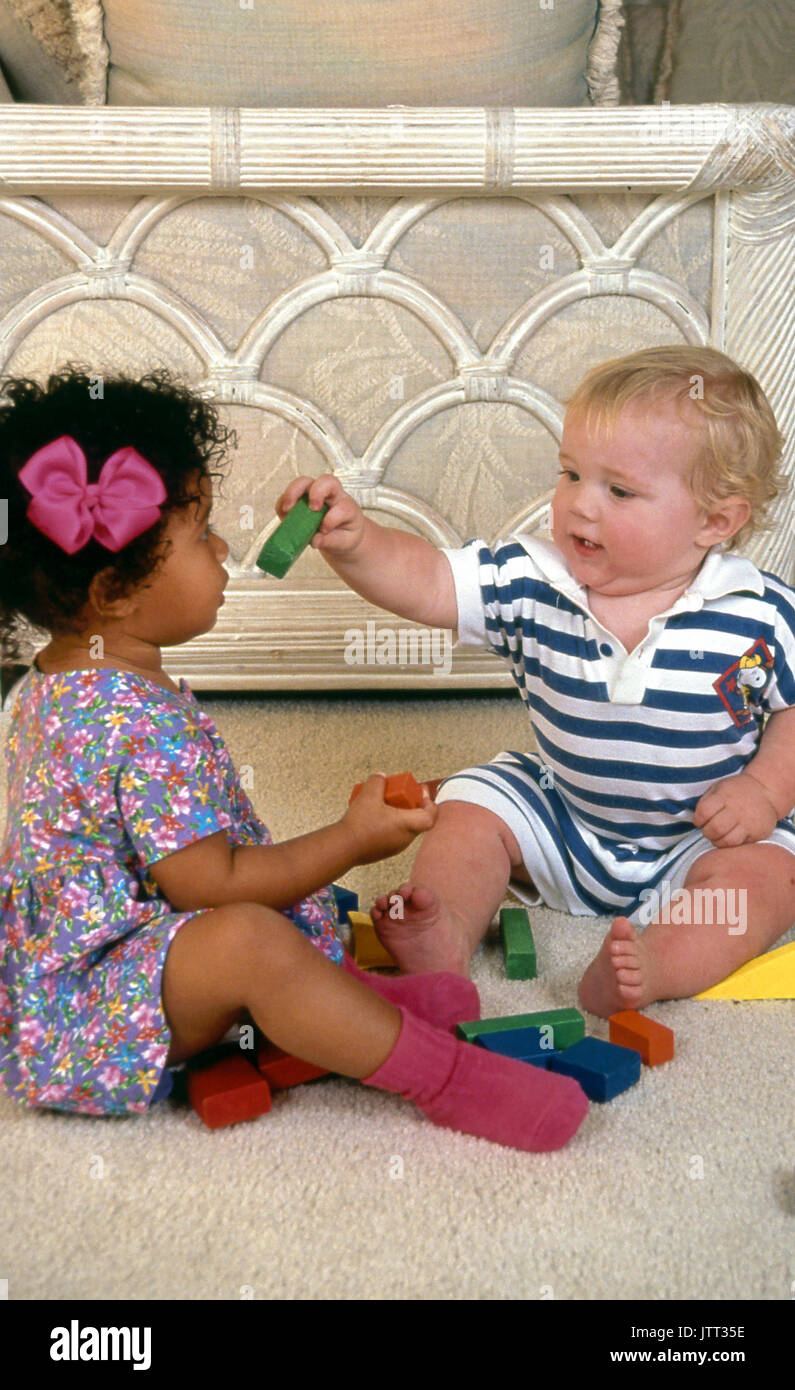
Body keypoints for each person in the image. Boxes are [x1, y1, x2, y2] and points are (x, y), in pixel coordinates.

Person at [0, 365, 588, 1153]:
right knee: (250, 941)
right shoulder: (132, 722)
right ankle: (443, 1078)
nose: (227, 547)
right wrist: (352, 837)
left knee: (269, 927)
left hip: (90, 958)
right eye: (201, 535)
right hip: (97, 1005)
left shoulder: (60, 677)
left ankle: (352, 1010)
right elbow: (215, 885)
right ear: (113, 593)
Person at [280, 345, 795, 1016]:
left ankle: (656, 964)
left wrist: (762, 788)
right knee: (472, 808)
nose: (580, 505)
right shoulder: (531, 580)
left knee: (766, 879)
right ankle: (445, 932)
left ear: (714, 521)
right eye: (570, 473)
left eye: (617, 490)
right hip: (564, 820)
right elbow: (429, 581)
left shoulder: (756, 614)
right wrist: (357, 542)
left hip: (699, 841)